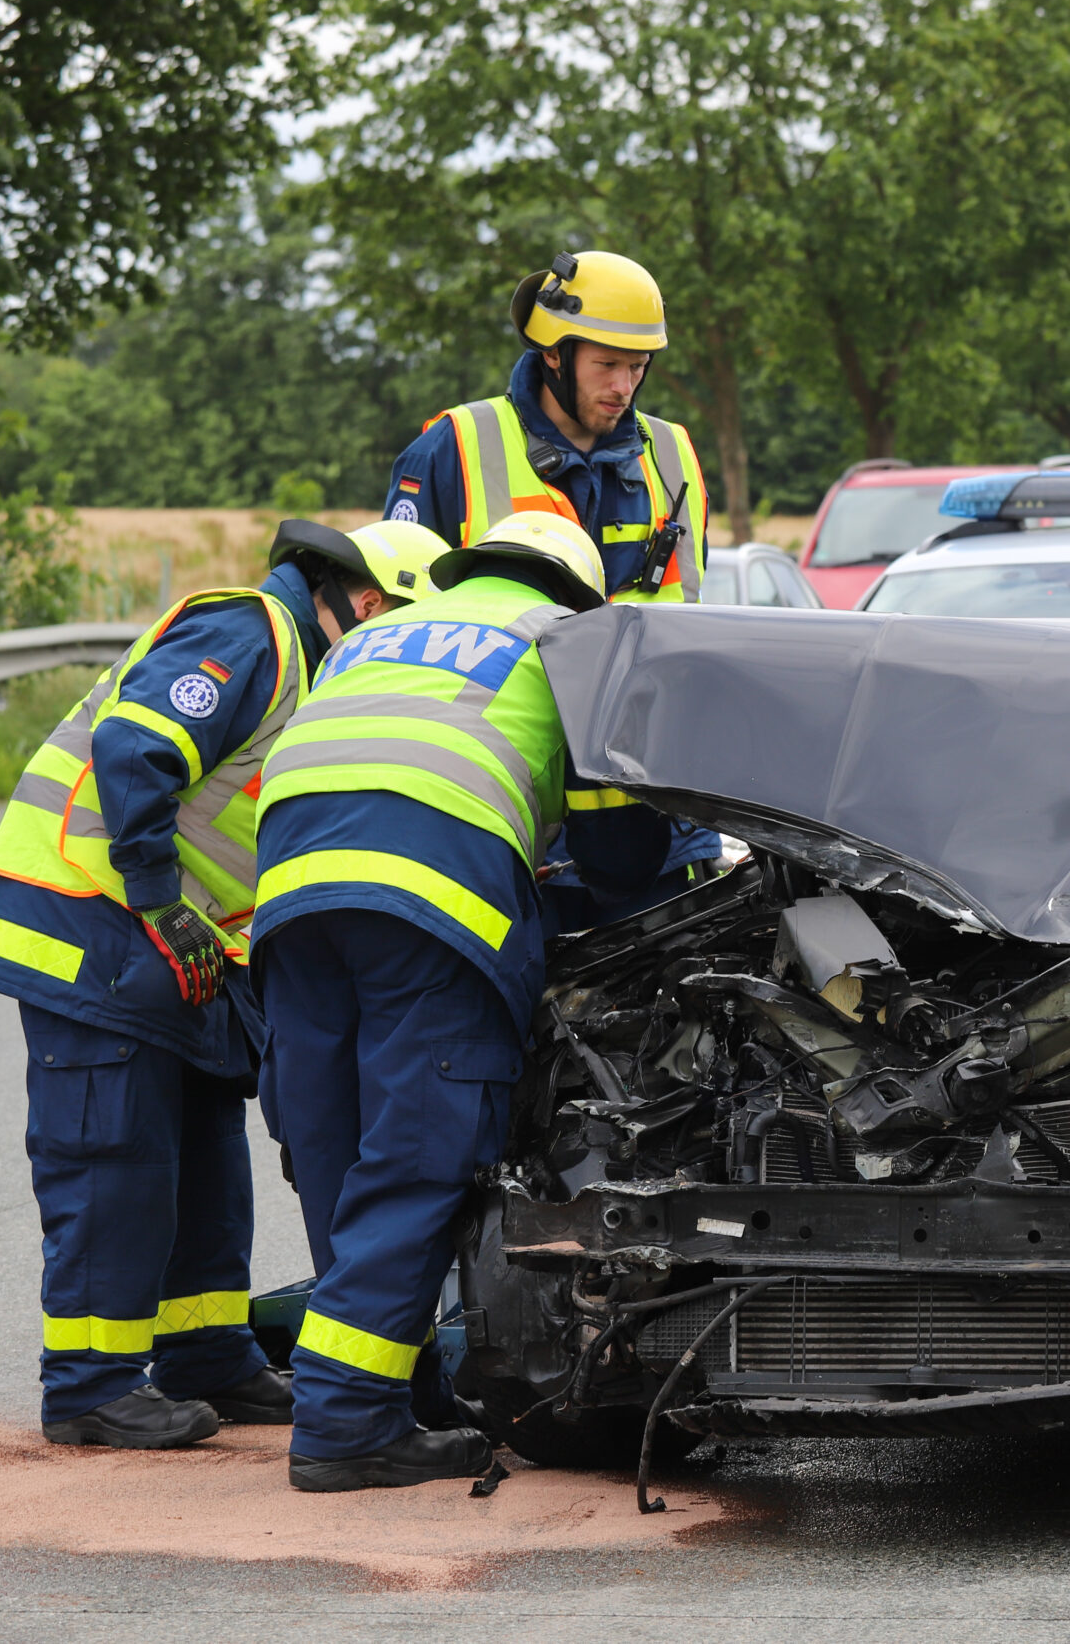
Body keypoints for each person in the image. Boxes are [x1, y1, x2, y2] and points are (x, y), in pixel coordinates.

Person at [0, 519, 448, 1448]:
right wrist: (157, 896)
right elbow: (137, 747)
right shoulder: (252, 631)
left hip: (172, 937)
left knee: (204, 1147)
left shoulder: (309, 671)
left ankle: (207, 1352)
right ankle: (90, 1387)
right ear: (371, 605)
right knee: (114, 1153)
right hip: (94, 909)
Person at [248, 513, 685, 1492]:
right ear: (576, 593)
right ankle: (349, 1424)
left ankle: (388, 1392)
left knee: (337, 1147)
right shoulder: (569, 645)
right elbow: (620, 862)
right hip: (430, 903)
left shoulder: (371, 635)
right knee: (414, 1156)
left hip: (290, 898)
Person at [383, 247, 717, 924]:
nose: (625, 386)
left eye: (638, 366)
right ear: (555, 355)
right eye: (607, 364)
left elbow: (692, 629)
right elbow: (397, 641)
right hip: (505, 818)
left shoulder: (674, 454)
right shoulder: (453, 449)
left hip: (657, 827)